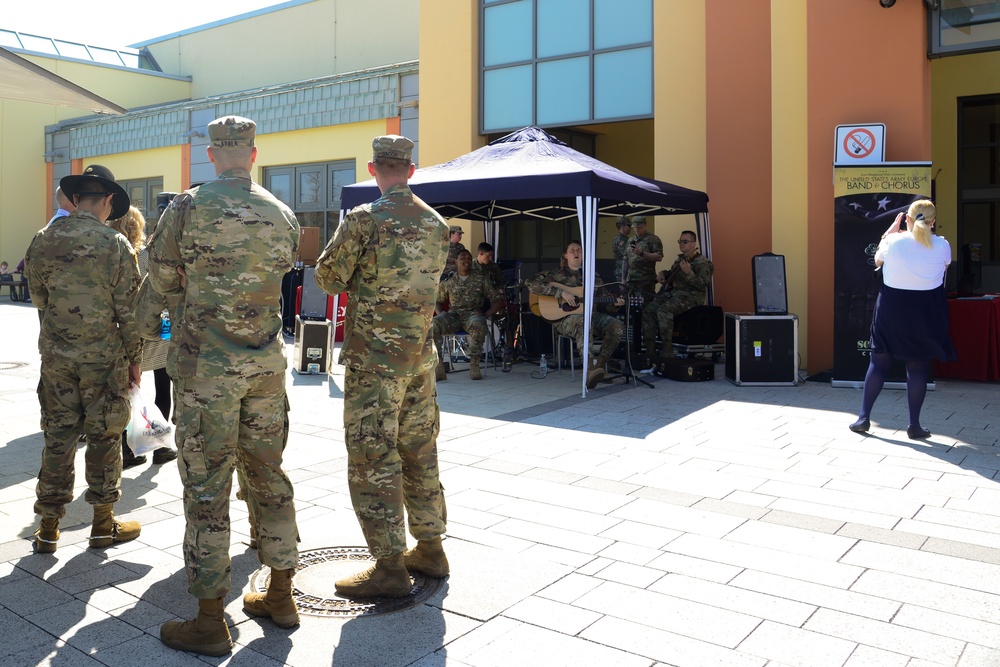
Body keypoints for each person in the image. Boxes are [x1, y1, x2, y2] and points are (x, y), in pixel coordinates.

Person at [145, 116, 301, 656]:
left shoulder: (187, 207)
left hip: (206, 371)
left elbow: (160, 276)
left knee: (208, 488)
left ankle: (210, 620)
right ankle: (281, 593)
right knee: (268, 475)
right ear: (253, 154)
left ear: (211, 154)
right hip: (264, 367)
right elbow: (282, 272)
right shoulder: (281, 212)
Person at [315, 134, 450, 599]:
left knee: (374, 457)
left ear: (373, 169)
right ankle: (431, 546)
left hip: (376, 360)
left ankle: (390, 566)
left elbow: (328, 278)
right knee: (419, 450)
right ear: (410, 170)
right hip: (420, 357)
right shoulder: (436, 223)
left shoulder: (364, 219)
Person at [24, 164, 143, 555]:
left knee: (57, 438)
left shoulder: (43, 240)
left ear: (76, 199)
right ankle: (102, 525)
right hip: (104, 360)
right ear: (108, 201)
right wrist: (135, 361)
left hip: (57, 357)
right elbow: (130, 311)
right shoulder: (114, 244)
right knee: (105, 437)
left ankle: (47, 529)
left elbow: (38, 299)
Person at [849, 199, 955, 439]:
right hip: (925, 313)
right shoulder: (943, 246)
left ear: (906, 219)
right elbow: (944, 269)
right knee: (917, 369)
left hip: (890, 311)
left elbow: (877, 262)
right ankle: (914, 426)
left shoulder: (892, 242)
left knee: (878, 364)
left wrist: (888, 233)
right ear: (933, 221)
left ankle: (863, 418)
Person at [106, 206, 177, 468]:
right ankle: (160, 448)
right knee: (162, 385)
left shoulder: (112, 255)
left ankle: (128, 450)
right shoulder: (148, 256)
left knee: (129, 389)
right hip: (155, 328)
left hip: (124, 332)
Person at [526, 241, 624, 390]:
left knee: (616, 326)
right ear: (565, 255)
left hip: (591, 315)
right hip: (565, 319)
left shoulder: (593, 276)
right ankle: (590, 369)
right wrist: (560, 293)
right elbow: (530, 283)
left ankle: (600, 367)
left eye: (579, 250)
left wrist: (614, 304)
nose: (576, 252)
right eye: (572, 250)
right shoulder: (555, 274)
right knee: (583, 322)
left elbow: (603, 305)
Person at [641, 230, 714, 363]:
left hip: (691, 296)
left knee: (664, 310)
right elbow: (671, 274)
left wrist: (689, 273)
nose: (681, 244)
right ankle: (650, 349)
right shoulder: (680, 260)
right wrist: (663, 273)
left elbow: (703, 285)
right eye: (680, 241)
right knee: (649, 309)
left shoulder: (703, 263)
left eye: (685, 242)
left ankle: (667, 350)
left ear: (693, 244)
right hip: (673, 294)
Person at [433, 249, 504, 381]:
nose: (466, 261)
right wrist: (439, 312)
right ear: (456, 261)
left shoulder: (480, 279)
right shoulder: (449, 281)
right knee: (434, 324)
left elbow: (498, 300)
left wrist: (486, 314)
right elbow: (437, 300)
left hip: (472, 315)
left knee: (478, 323)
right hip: (454, 316)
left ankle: (474, 365)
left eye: (468, 258)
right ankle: (439, 366)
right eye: (462, 258)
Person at [625, 215, 663, 299]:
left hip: (645, 281)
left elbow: (659, 256)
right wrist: (623, 279)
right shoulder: (630, 240)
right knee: (630, 306)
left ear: (645, 225)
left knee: (645, 307)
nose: (637, 229)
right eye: (635, 227)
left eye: (639, 227)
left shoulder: (653, 239)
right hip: (631, 280)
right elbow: (626, 259)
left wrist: (642, 253)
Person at [611, 215, 633, 283]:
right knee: (625, 292)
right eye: (628, 225)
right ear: (622, 226)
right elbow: (626, 254)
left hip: (628, 270)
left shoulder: (626, 239)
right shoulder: (620, 240)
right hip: (622, 272)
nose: (630, 228)